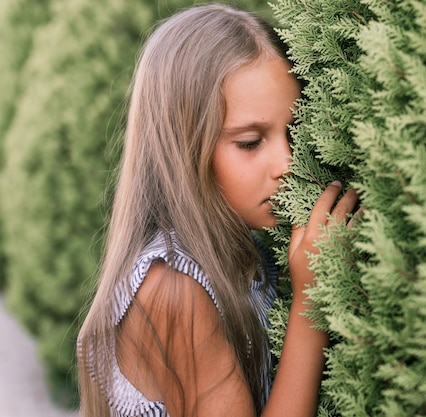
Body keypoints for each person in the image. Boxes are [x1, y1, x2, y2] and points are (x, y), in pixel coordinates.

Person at [76, 4, 359, 417]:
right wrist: (309, 302)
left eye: (292, 132)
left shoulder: (242, 248)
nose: (288, 163)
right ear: (184, 150)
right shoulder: (173, 289)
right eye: (249, 142)